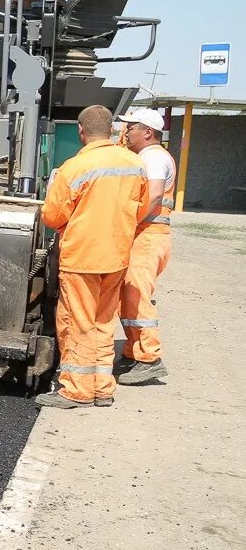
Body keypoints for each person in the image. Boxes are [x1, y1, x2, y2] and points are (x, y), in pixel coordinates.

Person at [35, 104, 148, 409]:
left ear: (81, 132)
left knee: (77, 323)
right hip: (116, 256)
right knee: (102, 322)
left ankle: (76, 390)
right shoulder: (134, 164)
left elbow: (53, 216)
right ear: (112, 130)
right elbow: (141, 208)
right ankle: (102, 387)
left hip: (83, 257)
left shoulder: (75, 167)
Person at [115, 108, 174, 386]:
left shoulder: (153, 158)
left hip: (149, 235)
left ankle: (150, 358)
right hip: (145, 235)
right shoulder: (145, 156)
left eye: (130, 128)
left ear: (147, 132)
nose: (125, 132)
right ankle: (133, 352)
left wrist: (127, 224)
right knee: (128, 295)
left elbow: (153, 197)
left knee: (137, 295)